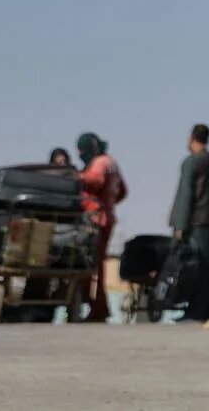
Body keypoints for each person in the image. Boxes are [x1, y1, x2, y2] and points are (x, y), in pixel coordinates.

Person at [169, 122, 209, 327]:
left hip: (196, 224)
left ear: (192, 138)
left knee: (196, 268)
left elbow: (186, 195)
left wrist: (180, 225)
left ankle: (196, 312)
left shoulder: (191, 163)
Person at [78, 132, 128, 322]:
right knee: (97, 265)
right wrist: (110, 203)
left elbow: (96, 180)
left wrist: (77, 177)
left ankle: (98, 308)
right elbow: (123, 191)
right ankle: (99, 307)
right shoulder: (112, 162)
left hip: (96, 220)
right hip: (106, 218)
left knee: (90, 264)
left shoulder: (100, 162)